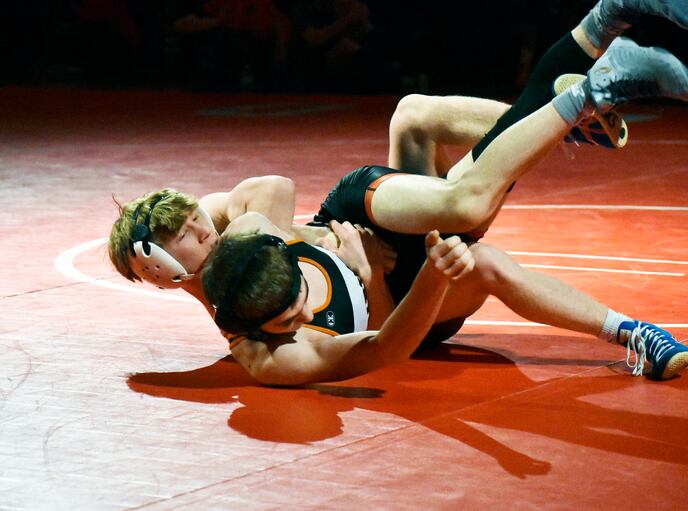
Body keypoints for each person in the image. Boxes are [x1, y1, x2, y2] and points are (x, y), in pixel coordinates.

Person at [109, 1, 688, 379]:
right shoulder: (265, 353)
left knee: (452, 179)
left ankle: (585, 101)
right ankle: (597, 40)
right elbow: (381, 347)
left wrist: (293, 240)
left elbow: (274, 187)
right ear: (159, 268)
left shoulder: (236, 229)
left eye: (191, 220)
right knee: (473, 240)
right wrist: (375, 278)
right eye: (182, 236)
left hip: (358, 219)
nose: (198, 228)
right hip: (404, 297)